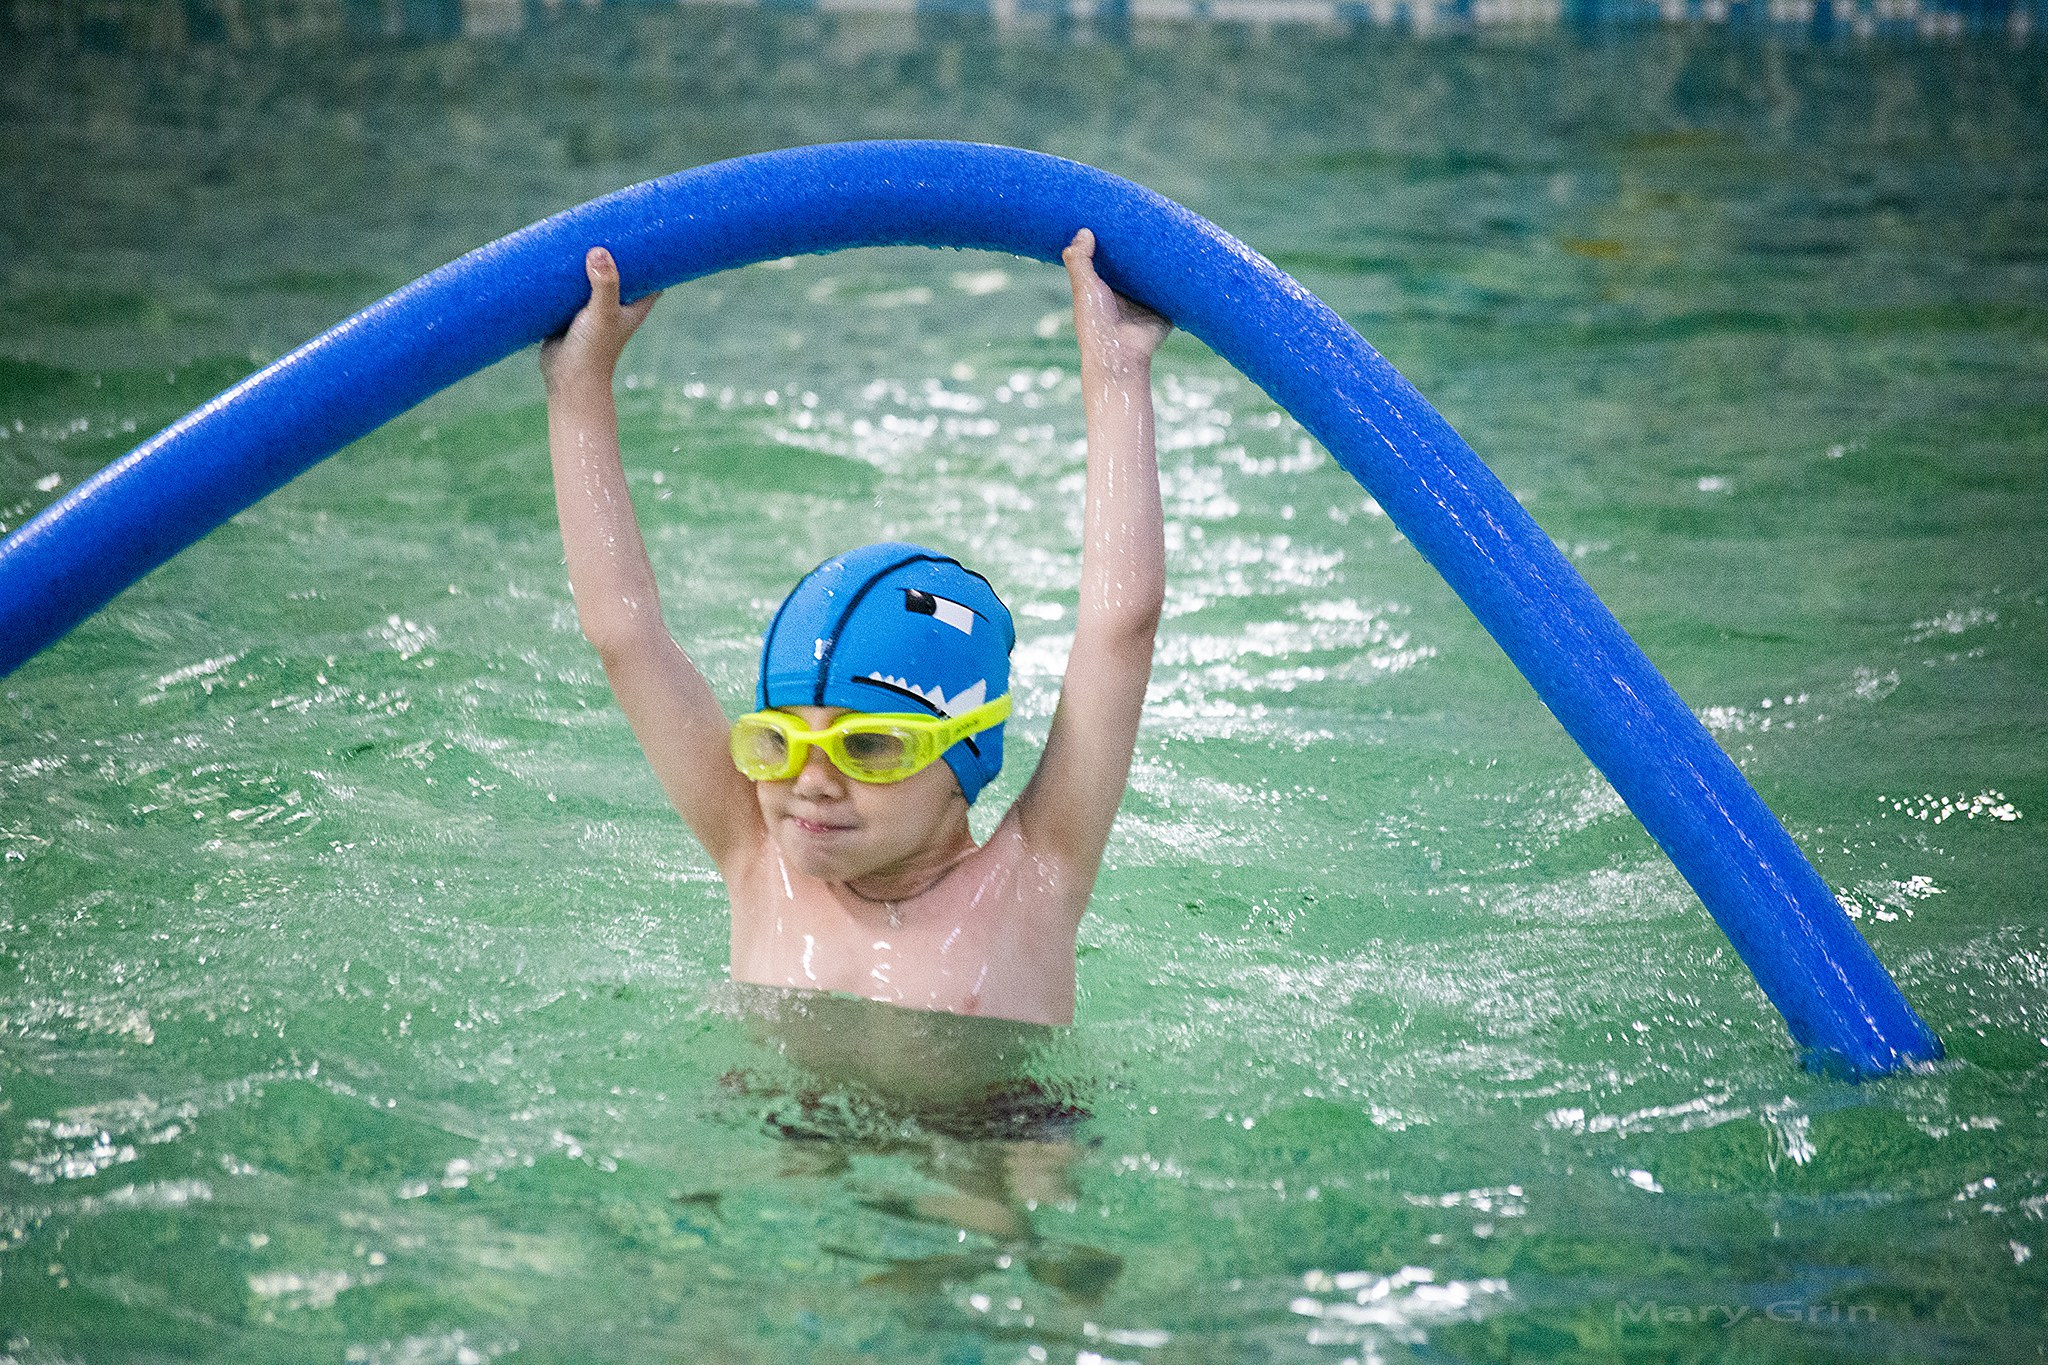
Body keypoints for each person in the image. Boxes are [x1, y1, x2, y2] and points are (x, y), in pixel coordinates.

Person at [539, 229, 1169, 1029]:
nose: (810, 781)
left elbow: (1121, 628)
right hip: (792, 1133)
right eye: (776, 741)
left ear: (964, 750)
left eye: (866, 746)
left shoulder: (1035, 878)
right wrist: (578, 385)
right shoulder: (757, 858)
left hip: (993, 1134)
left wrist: (1116, 373)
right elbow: (624, 634)